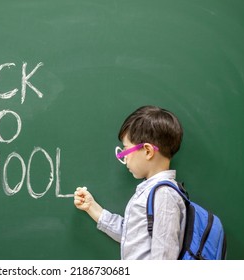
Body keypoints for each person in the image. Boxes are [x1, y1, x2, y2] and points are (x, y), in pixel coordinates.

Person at [74, 105, 186, 260]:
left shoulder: (164, 196)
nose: (124, 157)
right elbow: (133, 237)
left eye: (125, 150)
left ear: (147, 151)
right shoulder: (153, 192)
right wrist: (93, 208)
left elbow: (164, 259)